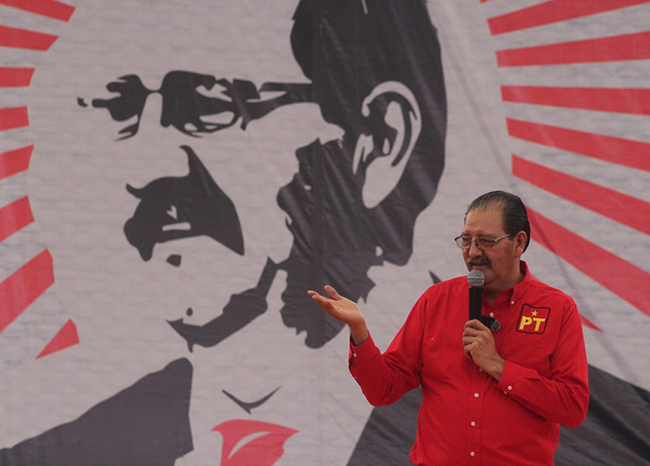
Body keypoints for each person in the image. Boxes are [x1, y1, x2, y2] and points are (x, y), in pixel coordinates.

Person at [0, 1, 447, 464]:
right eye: (118, 114)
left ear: (379, 143)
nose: (144, 167)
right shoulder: (78, 447)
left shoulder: (475, 417)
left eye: (207, 105)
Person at [309, 190, 590, 465]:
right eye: (466, 241)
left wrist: (499, 367)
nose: (473, 252)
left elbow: (572, 408)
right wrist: (359, 331)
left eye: (486, 241)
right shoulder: (436, 301)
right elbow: (383, 390)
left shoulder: (557, 309)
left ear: (519, 243)